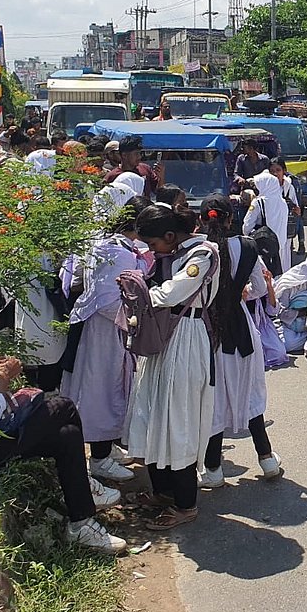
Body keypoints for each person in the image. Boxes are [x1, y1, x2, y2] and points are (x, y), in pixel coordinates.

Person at [0, 282, 127, 553]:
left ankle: (81, 522)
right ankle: (89, 491)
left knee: (66, 436)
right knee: (64, 407)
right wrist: (3, 379)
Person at [126, 204, 219, 530]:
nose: (152, 251)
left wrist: (141, 292)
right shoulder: (175, 253)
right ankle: (163, 491)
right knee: (154, 412)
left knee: (178, 418)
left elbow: (175, 291)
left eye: (153, 244)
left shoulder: (203, 255)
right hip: (165, 341)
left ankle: (186, 504)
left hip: (188, 340)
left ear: (169, 235)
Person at [61, 197, 149, 484]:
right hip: (108, 328)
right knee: (105, 390)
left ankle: (106, 448)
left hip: (98, 327)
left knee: (106, 387)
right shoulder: (118, 253)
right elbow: (108, 300)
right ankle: (99, 459)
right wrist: (135, 317)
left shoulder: (108, 245)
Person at [197, 195, 283, 489]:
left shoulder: (200, 250)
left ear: (202, 220)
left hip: (210, 331)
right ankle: (267, 458)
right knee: (251, 394)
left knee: (214, 398)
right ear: (231, 219)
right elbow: (259, 288)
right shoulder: (248, 247)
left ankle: (213, 468)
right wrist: (240, 289)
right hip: (243, 328)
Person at [243, 162, 290, 263]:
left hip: (264, 246)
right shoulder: (282, 201)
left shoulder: (258, 202)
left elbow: (247, 225)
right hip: (280, 245)